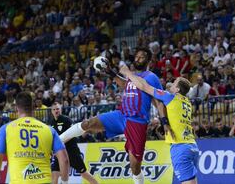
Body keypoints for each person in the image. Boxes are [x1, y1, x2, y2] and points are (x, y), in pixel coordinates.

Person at [60, 48, 166, 184]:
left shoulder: (151, 77)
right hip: (121, 115)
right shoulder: (132, 76)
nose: (138, 59)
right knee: (88, 123)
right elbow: (124, 84)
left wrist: (164, 121)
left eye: (142, 57)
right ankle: (57, 141)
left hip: (137, 121)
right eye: (137, 56)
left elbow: (159, 100)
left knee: (135, 166)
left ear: (149, 61)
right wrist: (110, 71)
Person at [120, 65, 198, 184]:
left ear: (177, 90)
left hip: (180, 147)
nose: (171, 83)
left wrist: (128, 73)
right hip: (192, 146)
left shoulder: (170, 97)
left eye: (174, 83)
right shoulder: (187, 102)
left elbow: (144, 86)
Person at [0, 92, 69, 184]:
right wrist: (64, 181)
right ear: (33, 107)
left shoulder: (6, 129)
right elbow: (64, 160)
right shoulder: (49, 130)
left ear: (16, 108)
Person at [50, 102, 98, 184]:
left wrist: (57, 144)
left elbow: (71, 135)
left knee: (84, 174)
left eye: (57, 109)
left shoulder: (66, 120)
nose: (56, 111)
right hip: (60, 152)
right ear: (51, 111)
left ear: (61, 109)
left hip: (72, 151)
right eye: (54, 109)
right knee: (54, 175)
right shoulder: (51, 123)